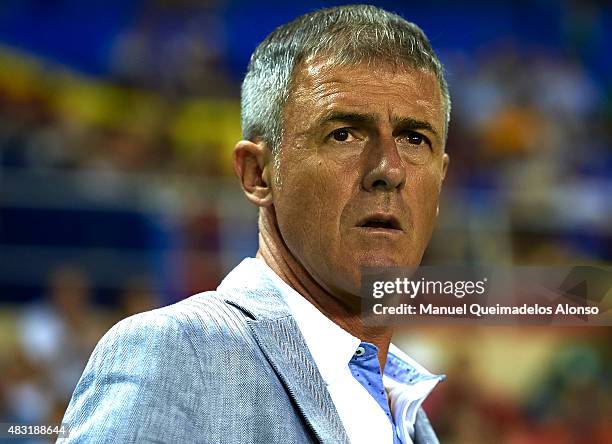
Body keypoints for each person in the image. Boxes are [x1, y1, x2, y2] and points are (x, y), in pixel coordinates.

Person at [60, 5, 450, 443]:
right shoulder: (179, 355)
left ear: (440, 181)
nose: (389, 169)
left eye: (415, 139)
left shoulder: (410, 418)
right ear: (258, 173)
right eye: (344, 133)